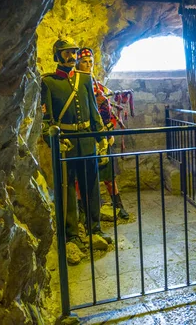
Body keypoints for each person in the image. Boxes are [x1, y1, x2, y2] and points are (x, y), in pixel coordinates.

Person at [41, 38, 112, 257]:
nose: (71, 57)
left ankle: (94, 229)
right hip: (68, 142)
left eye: (73, 52)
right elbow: (46, 119)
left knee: (91, 184)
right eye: (66, 53)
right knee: (68, 188)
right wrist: (54, 140)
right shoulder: (49, 82)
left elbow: (93, 109)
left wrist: (101, 138)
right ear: (57, 55)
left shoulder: (84, 79)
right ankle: (72, 235)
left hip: (87, 140)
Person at [76, 47, 130, 220]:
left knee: (108, 173)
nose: (88, 65)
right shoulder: (76, 85)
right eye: (84, 62)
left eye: (90, 62)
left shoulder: (95, 84)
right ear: (78, 63)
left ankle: (118, 204)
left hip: (102, 134)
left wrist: (109, 131)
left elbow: (104, 107)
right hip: (86, 135)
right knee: (81, 175)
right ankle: (83, 210)